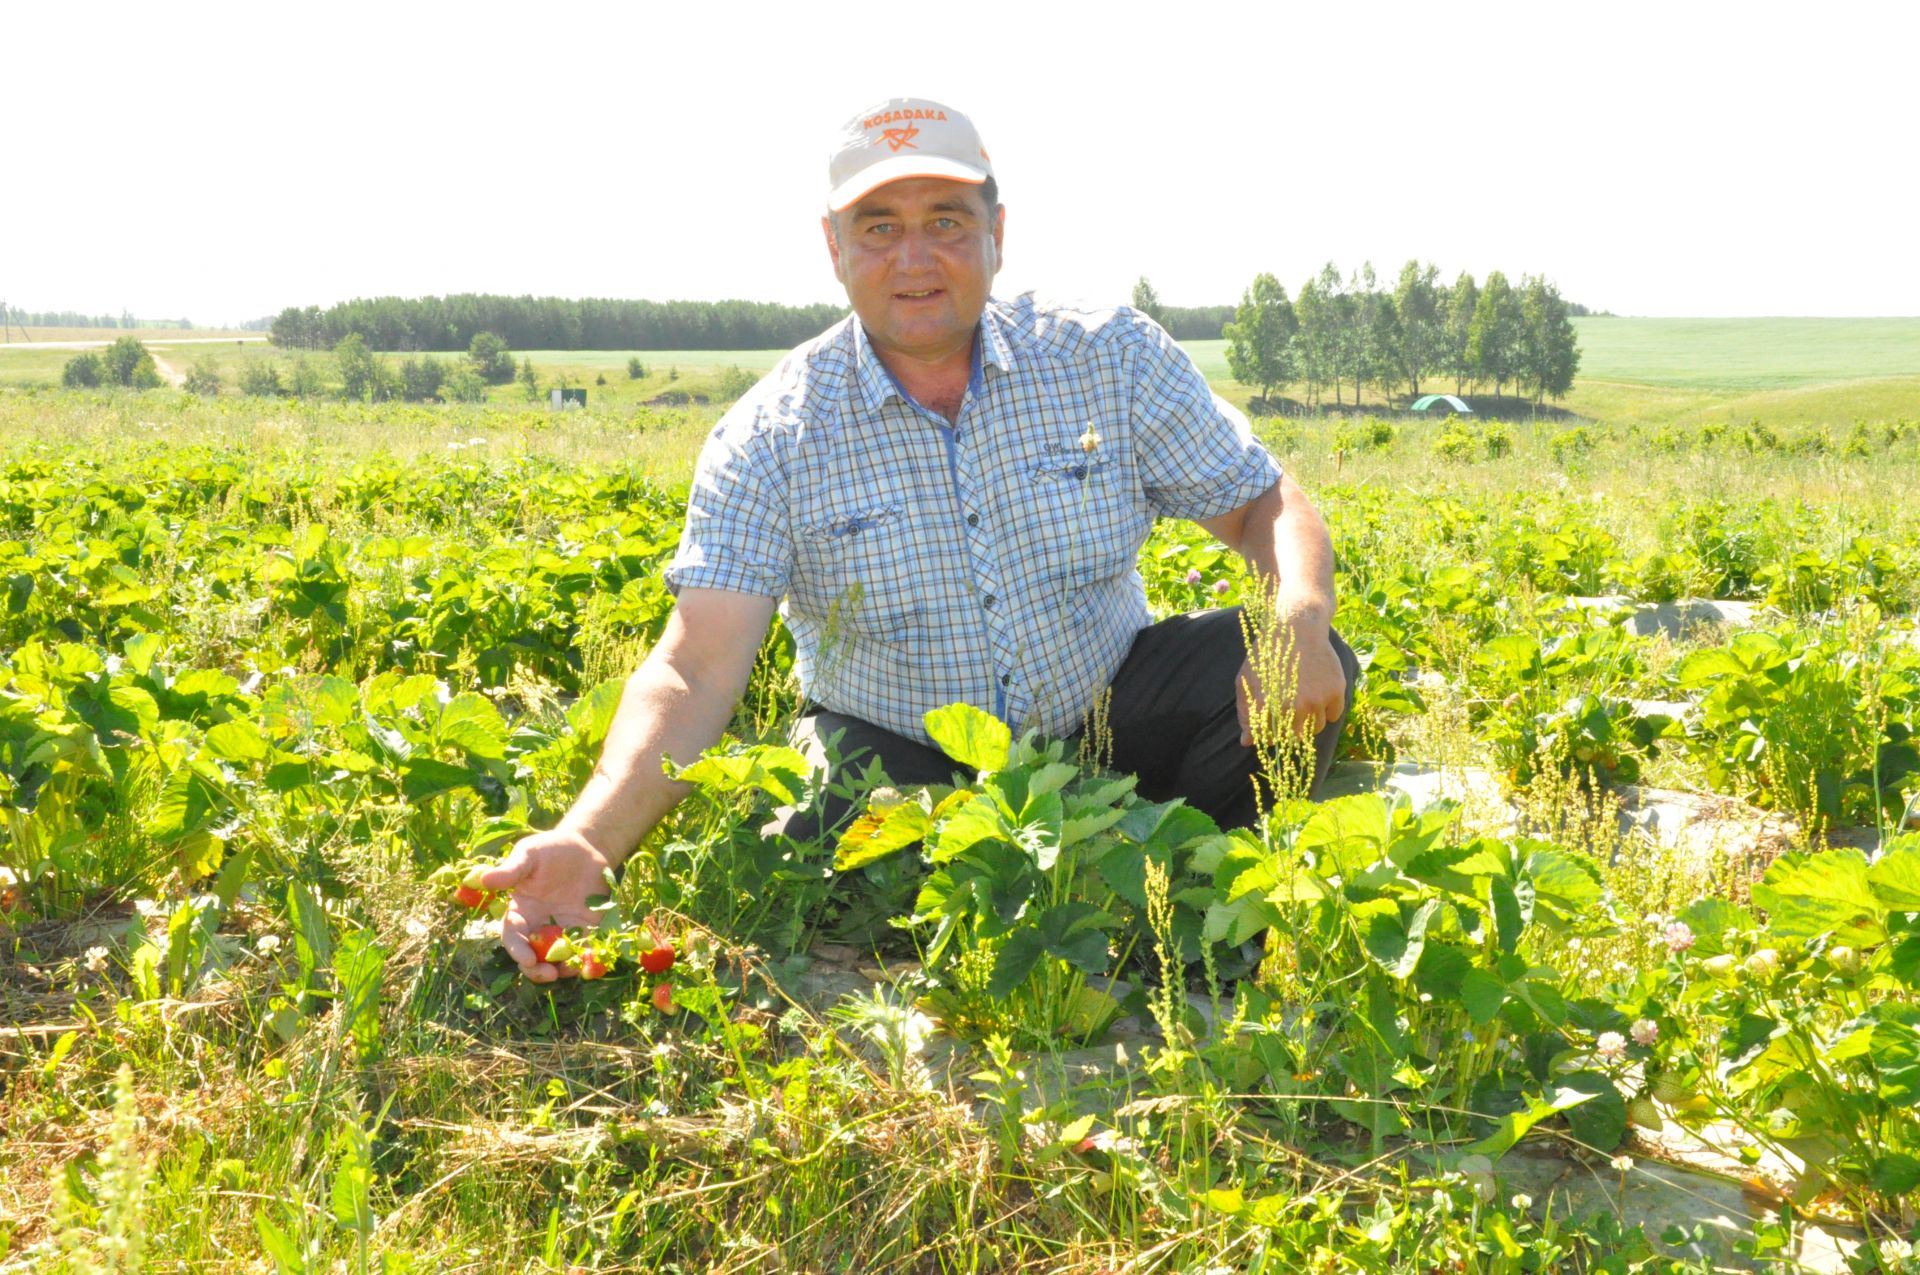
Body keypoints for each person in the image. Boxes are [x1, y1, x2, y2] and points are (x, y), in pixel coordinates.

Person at [483, 97, 1359, 982]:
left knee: (1300, 663)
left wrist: (1298, 614)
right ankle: (1061, 914)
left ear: (997, 235)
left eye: (946, 222)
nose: (914, 258)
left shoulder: (1107, 355)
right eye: (878, 227)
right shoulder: (774, 434)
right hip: (901, 755)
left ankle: (1187, 897)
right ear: (834, 247)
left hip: (1106, 716)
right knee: (823, 831)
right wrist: (586, 838)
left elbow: (1262, 503)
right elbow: (695, 666)